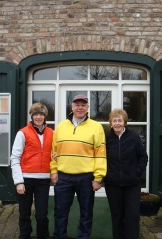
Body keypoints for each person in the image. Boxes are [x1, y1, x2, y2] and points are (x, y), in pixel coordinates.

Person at [51, 94, 107, 239]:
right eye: (77, 105)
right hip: (63, 176)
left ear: (87, 107)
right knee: (60, 211)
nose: (80, 108)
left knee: (86, 212)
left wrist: (98, 177)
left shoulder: (96, 127)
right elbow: (53, 151)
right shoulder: (61, 126)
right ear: (72, 107)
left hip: (86, 178)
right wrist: (53, 170)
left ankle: (83, 237)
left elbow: (100, 154)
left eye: (83, 105)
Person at [10, 102, 53, 239]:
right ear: (32, 116)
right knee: (24, 214)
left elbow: (55, 153)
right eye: (36, 114)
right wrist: (18, 182)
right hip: (25, 179)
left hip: (43, 180)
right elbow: (15, 158)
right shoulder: (22, 133)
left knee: (41, 216)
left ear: (45, 116)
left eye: (41, 114)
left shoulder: (52, 133)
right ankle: (24, 236)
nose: (38, 117)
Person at [104, 108, 148, 239]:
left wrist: (137, 173)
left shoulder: (133, 137)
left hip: (132, 185)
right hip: (113, 185)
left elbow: (143, 157)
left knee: (132, 217)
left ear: (125, 122)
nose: (117, 123)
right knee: (117, 217)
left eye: (120, 120)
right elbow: (100, 157)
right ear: (111, 122)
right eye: (114, 120)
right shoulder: (107, 139)